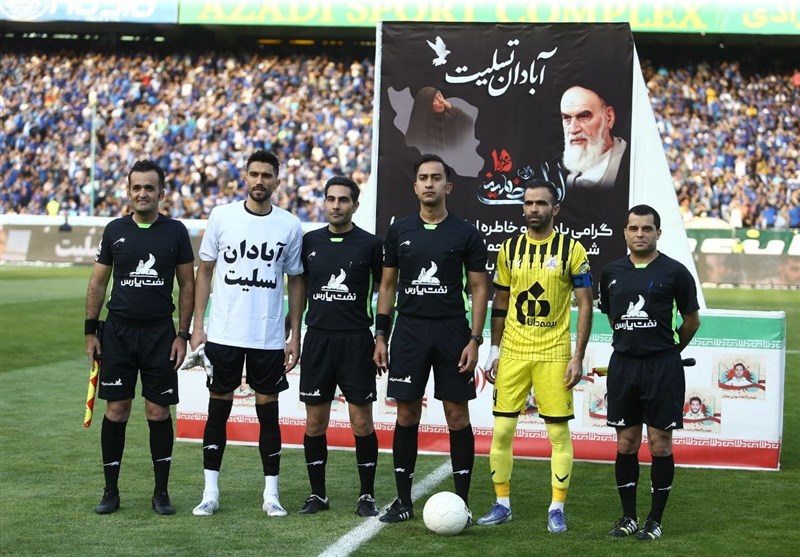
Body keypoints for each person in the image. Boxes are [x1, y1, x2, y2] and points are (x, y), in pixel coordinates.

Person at [373, 153, 489, 523]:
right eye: (423, 177)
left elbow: (479, 289)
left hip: (452, 331)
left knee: (456, 414)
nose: (429, 183)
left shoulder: (466, 233)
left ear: (448, 186)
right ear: (415, 186)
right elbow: (387, 286)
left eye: (436, 178)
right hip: (409, 331)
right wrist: (381, 334)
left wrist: (475, 339)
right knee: (407, 412)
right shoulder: (399, 231)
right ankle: (403, 501)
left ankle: (462, 503)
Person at [190, 150, 304, 517]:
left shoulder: (289, 225)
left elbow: (296, 280)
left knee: (268, 415)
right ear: (245, 177)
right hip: (224, 333)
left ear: (277, 181)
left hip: (267, 337)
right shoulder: (222, 216)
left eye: (266, 175)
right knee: (217, 412)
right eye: (254, 174)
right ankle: (210, 493)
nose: (259, 181)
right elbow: (205, 271)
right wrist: (198, 325)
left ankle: (271, 495)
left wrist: (294, 332)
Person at [476, 179, 593, 533]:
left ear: (554, 208)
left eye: (541, 203)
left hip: (554, 353)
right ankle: (502, 504)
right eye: (528, 203)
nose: (533, 209)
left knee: (558, 433)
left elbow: (586, 304)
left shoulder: (572, 249)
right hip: (513, 351)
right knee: (502, 430)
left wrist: (577, 355)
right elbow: (500, 300)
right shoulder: (509, 248)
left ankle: (557, 507)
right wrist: (494, 349)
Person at [85, 159, 195, 515]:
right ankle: (110, 491)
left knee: (157, 411)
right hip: (117, 333)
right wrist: (90, 331)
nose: (143, 193)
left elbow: (188, 284)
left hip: (160, 334)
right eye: (137, 187)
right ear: (128, 191)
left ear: (161, 192)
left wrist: (182, 334)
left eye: (149, 187)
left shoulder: (175, 231)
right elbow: (98, 282)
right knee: (116, 410)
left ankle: (161, 492)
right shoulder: (114, 230)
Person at [599, 204, 701, 541]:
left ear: (658, 232)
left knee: (660, 445)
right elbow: (613, 318)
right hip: (624, 366)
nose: (640, 234)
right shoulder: (611, 272)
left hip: (662, 368)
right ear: (625, 232)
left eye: (646, 228)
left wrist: (669, 352)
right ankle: (628, 517)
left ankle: (654, 520)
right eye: (634, 228)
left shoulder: (675, 272)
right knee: (626, 443)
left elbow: (691, 321)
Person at [298, 176, 383, 517]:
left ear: (355, 205)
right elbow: (300, 287)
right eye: (331, 199)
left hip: (356, 341)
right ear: (324, 202)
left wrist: (381, 336)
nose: (336, 205)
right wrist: (293, 332)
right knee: (314, 423)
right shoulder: (309, 241)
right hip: (318, 340)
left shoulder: (371, 245)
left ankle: (367, 495)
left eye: (343, 200)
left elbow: (386, 290)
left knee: (361, 423)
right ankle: (317, 494)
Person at [560, 85, 628, 189]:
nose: (573, 129)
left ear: (609, 117)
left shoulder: (631, 164)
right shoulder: (556, 171)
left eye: (583, 116)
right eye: (567, 118)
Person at [405, 87, 474, 155]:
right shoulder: (416, 133)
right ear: (426, 104)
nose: (441, 101)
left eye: (440, 96)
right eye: (435, 99)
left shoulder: (449, 120)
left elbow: (469, 123)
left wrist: (450, 106)